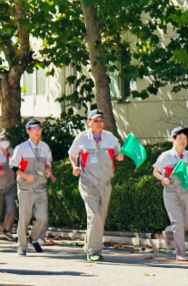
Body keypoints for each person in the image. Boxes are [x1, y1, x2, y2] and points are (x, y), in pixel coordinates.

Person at [68, 109, 124, 262]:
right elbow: (72, 155)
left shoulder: (110, 138)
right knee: (95, 216)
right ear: (89, 122)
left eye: (101, 120)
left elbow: (118, 153)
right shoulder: (82, 138)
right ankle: (94, 250)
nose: (99, 123)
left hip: (105, 183)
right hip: (88, 182)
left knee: (101, 216)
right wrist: (75, 166)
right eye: (96, 120)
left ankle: (88, 243)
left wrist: (119, 156)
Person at [153, 126, 188, 261]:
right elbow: (155, 171)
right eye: (180, 138)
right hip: (171, 192)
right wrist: (163, 179)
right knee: (178, 222)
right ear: (173, 139)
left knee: (187, 223)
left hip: (187, 190)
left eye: (185, 139)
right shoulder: (165, 156)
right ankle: (181, 253)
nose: (183, 141)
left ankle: (169, 231)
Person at [12, 118, 54, 256]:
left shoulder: (45, 147)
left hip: (41, 186)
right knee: (24, 217)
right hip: (25, 188)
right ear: (28, 131)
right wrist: (24, 175)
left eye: (39, 128)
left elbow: (48, 163)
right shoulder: (21, 148)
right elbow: (13, 167)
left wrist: (48, 170)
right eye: (34, 128)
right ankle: (22, 245)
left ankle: (33, 238)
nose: (37, 131)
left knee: (42, 216)